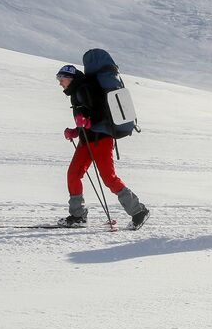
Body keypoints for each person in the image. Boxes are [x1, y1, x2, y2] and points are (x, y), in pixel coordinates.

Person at [57, 65, 149, 229]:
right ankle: (78, 216)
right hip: (87, 140)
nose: (60, 83)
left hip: (101, 139)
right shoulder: (77, 92)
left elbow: (100, 112)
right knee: (73, 174)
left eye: (61, 79)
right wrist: (76, 131)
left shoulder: (86, 88)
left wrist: (86, 122)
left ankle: (139, 211)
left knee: (108, 178)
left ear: (69, 78)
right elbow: (85, 117)